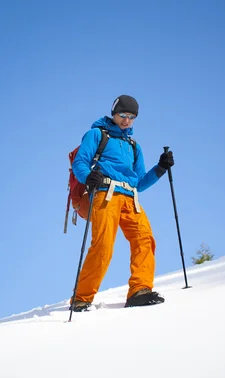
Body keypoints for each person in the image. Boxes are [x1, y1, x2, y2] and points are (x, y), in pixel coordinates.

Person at [70, 94, 174, 311]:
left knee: (145, 240)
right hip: (105, 194)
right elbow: (81, 162)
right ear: (114, 113)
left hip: (130, 198)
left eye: (132, 117)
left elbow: (139, 182)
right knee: (103, 245)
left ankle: (139, 290)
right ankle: (81, 298)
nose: (127, 120)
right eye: (123, 115)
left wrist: (160, 168)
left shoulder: (134, 146)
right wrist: (88, 177)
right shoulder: (97, 134)